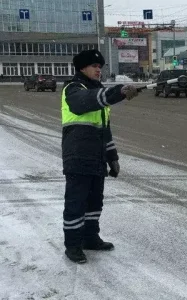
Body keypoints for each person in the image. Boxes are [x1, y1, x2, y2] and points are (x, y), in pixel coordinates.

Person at [61, 49, 139, 263]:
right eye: (94, 66)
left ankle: (90, 237)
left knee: (95, 202)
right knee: (76, 203)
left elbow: (105, 131)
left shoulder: (99, 94)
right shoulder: (74, 89)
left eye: (100, 67)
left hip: (96, 158)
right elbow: (83, 103)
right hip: (77, 157)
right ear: (82, 68)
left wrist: (112, 157)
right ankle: (73, 245)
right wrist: (118, 92)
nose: (98, 70)